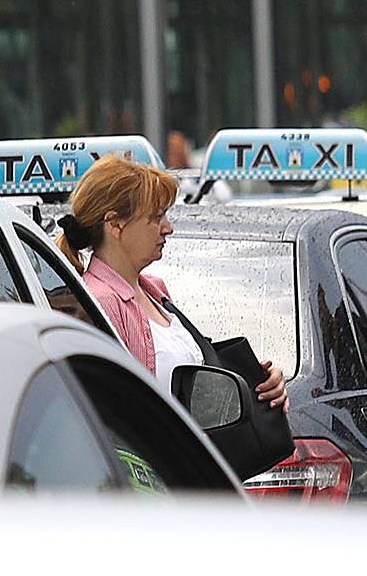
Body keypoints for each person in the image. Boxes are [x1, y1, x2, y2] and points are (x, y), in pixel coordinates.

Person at [56, 154, 290, 412]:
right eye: (156, 218)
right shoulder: (101, 302)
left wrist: (261, 382)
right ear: (115, 224)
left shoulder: (154, 290)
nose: (168, 228)